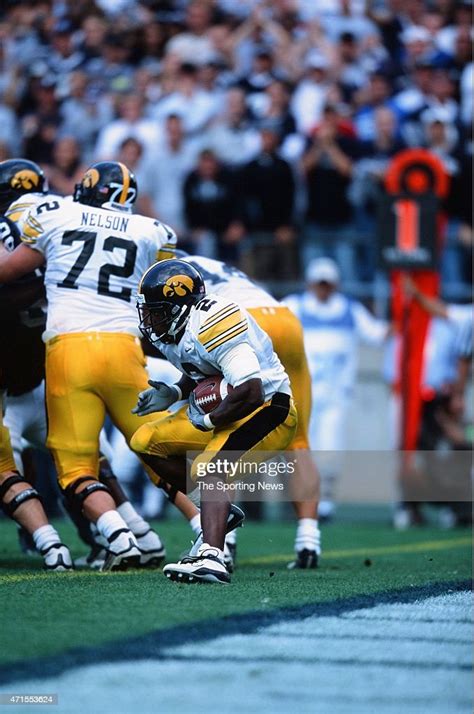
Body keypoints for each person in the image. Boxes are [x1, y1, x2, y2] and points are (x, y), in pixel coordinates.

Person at [0, 161, 176, 571]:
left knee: (65, 468)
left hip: (56, 361)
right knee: (133, 454)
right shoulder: (126, 226)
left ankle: (78, 540)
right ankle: (158, 533)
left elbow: (10, 271)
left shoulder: (48, 219)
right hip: (94, 355)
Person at [130, 259, 297, 584]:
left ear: (180, 306)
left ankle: (212, 557)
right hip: (233, 408)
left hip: (269, 409)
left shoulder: (214, 321)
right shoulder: (173, 331)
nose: (149, 318)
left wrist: (207, 420)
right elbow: (204, 368)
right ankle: (218, 510)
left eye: (157, 310)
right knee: (145, 442)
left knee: (210, 467)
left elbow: (249, 389)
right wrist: (175, 392)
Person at [179, 252, 321, 569]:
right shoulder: (208, 262)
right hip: (283, 318)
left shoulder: (168, 272)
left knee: (226, 434)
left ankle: (223, 542)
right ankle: (309, 539)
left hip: (240, 321)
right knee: (298, 441)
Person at [0, 159, 72, 571]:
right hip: (57, 362)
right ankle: (125, 534)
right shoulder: (63, 219)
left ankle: (43, 537)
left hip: (22, 376)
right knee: (88, 460)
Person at [285, 257, 389, 520]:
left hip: (336, 396)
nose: (323, 289)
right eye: (319, 284)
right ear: (309, 283)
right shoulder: (293, 306)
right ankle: (299, 498)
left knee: (330, 448)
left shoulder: (350, 310)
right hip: (299, 394)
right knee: (297, 449)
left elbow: (378, 334)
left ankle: (325, 501)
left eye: (327, 284)